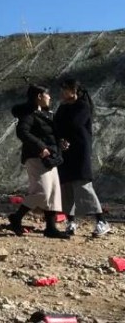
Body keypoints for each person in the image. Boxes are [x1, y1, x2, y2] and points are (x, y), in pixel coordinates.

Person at [8, 84, 70, 239]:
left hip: (51, 157)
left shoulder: (46, 113)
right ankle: (16, 217)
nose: (50, 97)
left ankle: (50, 228)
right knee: (42, 192)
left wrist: (60, 142)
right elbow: (22, 132)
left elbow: (49, 134)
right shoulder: (29, 114)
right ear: (39, 97)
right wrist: (40, 147)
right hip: (36, 157)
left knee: (53, 193)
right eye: (47, 94)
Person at [53, 77, 110, 237]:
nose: (62, 92)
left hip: (79, 152)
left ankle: (101, 220)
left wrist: (62, 134)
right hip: (65, 152)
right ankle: (70, 222)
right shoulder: (63, 108)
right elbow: (56, 126)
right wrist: (60, 140)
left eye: (65, 89)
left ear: (74, 91)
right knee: (66, 188)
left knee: (83, 187)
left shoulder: (82, 106)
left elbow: (74, 124)